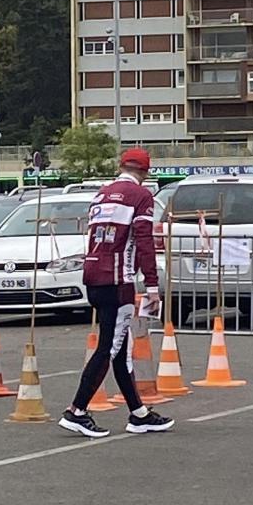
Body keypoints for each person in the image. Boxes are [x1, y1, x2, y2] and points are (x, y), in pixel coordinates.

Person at [59, 148, 175, 438]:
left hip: (93, 275)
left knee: (121, 349)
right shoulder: (141, 196)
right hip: (118, 280)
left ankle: (139, 413)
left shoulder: (102, 194)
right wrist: (152, 286)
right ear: (145, 172)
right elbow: (145, 241)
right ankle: (77, 410)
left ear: (121, 166)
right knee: (109, 348)